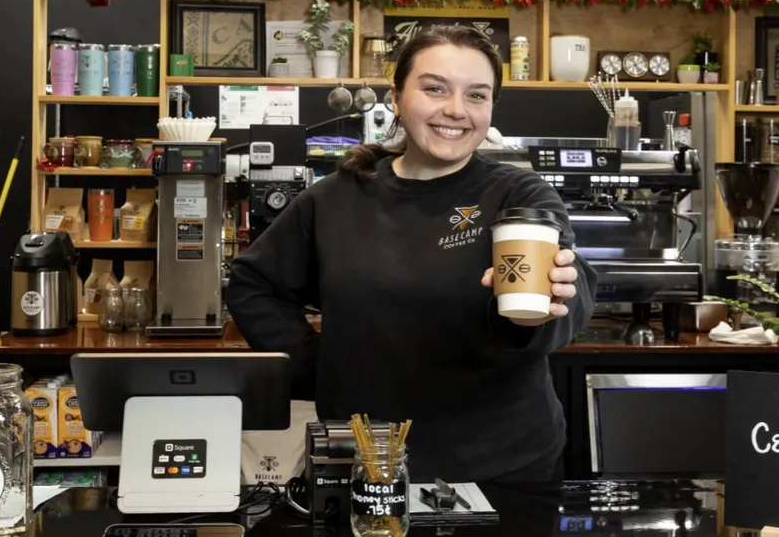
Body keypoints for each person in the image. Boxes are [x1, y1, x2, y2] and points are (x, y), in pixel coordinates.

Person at [227, 25, 596, 482]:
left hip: (502, 465)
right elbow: (252, 283)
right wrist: (316, 369)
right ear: (397, 96)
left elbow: (571, 282)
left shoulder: (515, 193)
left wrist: (542, 314)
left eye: (477, 95)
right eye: (435, 88)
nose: (456, 110)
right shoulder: (338, 197)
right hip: (365, 459)